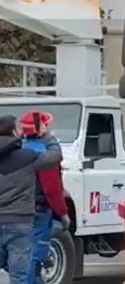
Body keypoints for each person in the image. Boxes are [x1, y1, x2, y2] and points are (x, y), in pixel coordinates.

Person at [0, 115, 62, 284]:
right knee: (19, 274)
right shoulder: (28, 156)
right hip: (20, 220)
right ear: (14, 132)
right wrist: (46, 136)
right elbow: (55, 156)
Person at [19, 112, 67, 284]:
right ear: (41, 128)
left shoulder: (17, 148)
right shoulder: (43, 152)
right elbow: (52, 188)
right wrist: (62, 212)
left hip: (18, 210)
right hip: (38, 211)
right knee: (35, 255)